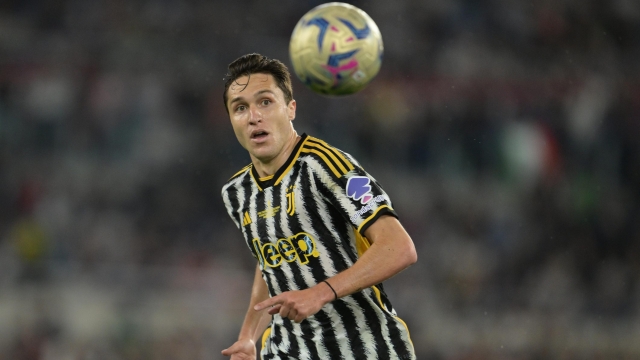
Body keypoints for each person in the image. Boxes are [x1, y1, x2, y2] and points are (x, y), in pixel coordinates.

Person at [220, 53, 417, 360]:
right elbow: (270, 259)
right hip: (289, 350)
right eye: (240, 108)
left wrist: (320, 293)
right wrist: (248, 336)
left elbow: (399, 247)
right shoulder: (236, 192)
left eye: (265, 102)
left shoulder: (325, 165)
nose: (253, 116)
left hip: (364, 347)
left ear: (291, 109)